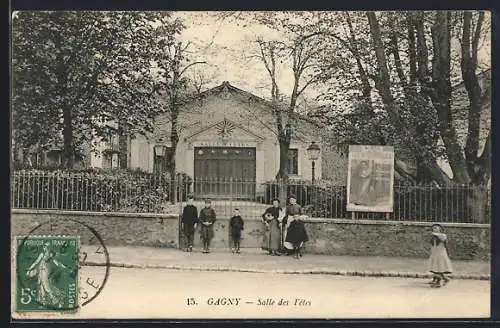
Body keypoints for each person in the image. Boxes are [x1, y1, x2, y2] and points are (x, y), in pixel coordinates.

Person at [26, 241, 71, 308]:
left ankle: (59, 300)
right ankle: (43, 303)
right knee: (41, 286)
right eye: (44, 246)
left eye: (46, 246)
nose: (44, 247)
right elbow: (36, 262)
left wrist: (64, 266)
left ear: (49, 247)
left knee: (46, 286)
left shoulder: (50, 254)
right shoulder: (42, 254)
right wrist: (30, 268)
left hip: (45, 271)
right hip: (40, 271)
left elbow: (56, 262)